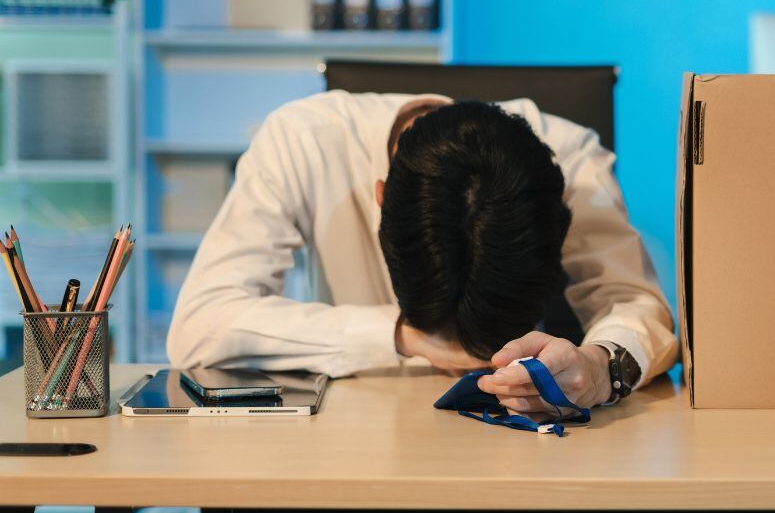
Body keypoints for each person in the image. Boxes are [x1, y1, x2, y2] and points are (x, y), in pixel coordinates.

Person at [167, 91, 677, 413]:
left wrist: (598, 367)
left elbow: (636, 303)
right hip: (354, 440)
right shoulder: (302, 141)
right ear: (382, 197)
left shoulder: (568, 158)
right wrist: (404, 334)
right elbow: (199, 323)